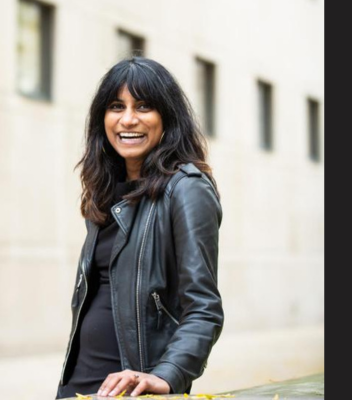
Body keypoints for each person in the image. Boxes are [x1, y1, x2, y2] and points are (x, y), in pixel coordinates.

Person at [55, 56, 224, 399]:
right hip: (79, 386)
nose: (128, 119)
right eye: (117, 106)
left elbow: (204, 308)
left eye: (144, 106)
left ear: (167, 118)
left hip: (135, 389)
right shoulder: (107, 191)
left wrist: (168, 374)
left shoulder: (186, 189)